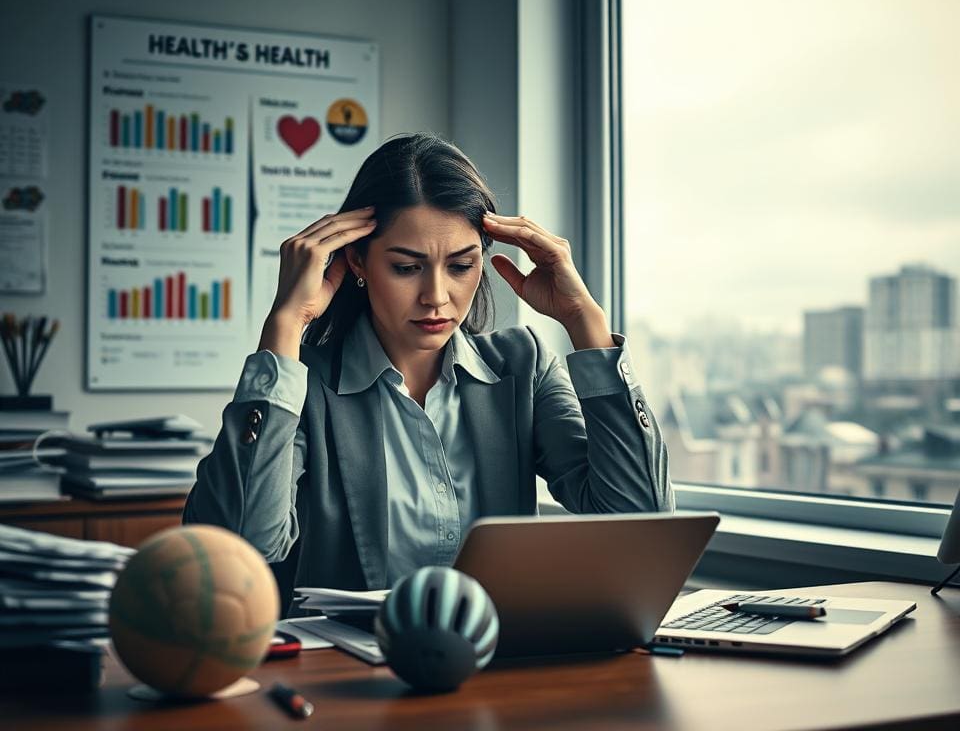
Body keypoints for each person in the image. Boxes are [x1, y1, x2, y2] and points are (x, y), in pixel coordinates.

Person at [184, 133, 673, 599]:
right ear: (357, 260)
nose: (436, 297)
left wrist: (585, 322)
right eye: (406, 267)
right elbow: (241, 549)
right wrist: (285, 324)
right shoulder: (302, 386)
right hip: (343, 673)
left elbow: (643, 519)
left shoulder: (523, 369)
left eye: (461, 266)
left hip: (500, 666)